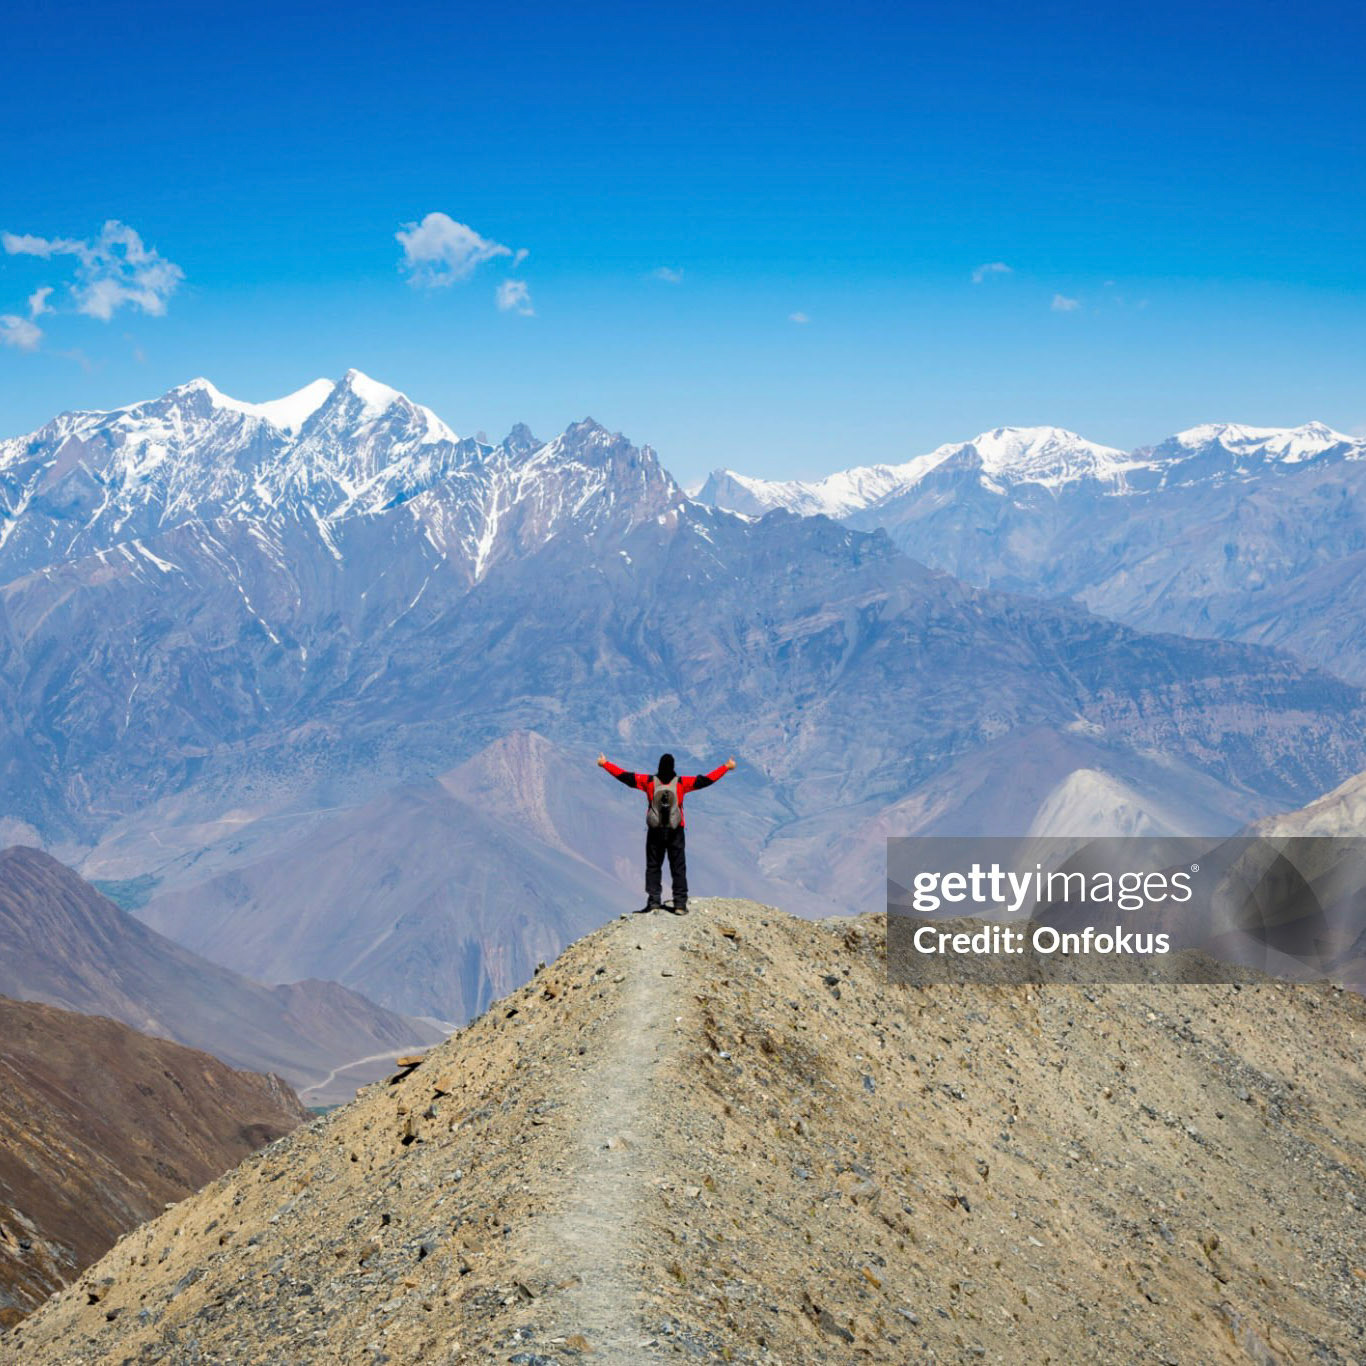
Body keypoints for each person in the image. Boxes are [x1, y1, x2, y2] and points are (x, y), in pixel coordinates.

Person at [597, 751, 737, 914]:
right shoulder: (682, 783)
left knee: (653, 866)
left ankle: (654, 902)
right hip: (676, 830)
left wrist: (605, 764)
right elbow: (706, 780)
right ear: (673, 767)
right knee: (678, 866)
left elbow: (624, 776)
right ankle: (679, 904)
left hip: (655, 831)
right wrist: (726, 767)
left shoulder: (648, 781)